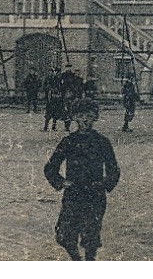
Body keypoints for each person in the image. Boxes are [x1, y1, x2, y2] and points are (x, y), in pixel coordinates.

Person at [44, 100, 121, 261]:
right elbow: (50, 168)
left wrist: (105, 183)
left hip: (95, 195)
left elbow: (113, 169)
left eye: (89, 116)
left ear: (95, 118)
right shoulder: (68, 142)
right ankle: (77, 260)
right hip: (73, 194)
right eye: (80, 116)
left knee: (90, 238)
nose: (85, 120)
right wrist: (61, 182)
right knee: (64, 235)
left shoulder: (102, 142)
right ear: (74, 118)